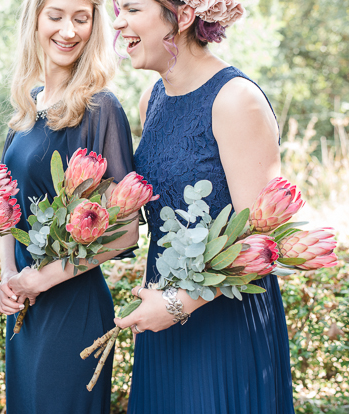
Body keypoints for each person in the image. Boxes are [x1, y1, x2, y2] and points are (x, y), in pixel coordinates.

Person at [112, 0, 295, 412]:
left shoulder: (235, 100)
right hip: (162, 318)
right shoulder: (151, 99)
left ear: (183, 16)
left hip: (224, 324)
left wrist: (177, 304)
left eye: (132, 8)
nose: (119, 22)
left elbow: (261, 243)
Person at [0, 0, 139, 412]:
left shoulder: (101, 108)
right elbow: (8, 208)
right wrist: (10, 276)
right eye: (56, 15)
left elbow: (126, 230)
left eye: (81, 18)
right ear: (35, 20)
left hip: (72, 306)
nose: (69, 30)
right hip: (23, 305)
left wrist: (41, 279)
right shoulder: (27, 107)